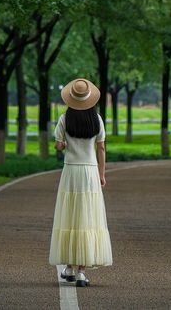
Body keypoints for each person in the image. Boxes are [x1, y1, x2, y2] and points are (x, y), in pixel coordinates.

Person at [49, 77, 112, 288]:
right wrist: (102, 174)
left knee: (70, 216)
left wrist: (64, 143)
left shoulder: (64, 119)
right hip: (90, 172)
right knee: (87, 218)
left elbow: (58, 146)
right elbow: (101, 148)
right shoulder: (97, 120)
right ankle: (82, 273)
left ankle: (68, 267)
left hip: (70, 171)